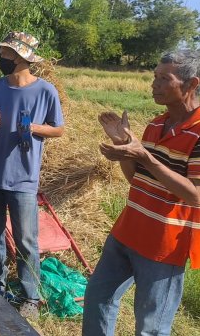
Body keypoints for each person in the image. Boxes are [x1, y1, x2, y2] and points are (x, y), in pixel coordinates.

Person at [82, 50, 200, 335]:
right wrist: (124, 147)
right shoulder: (155, 125)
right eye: (154, 77)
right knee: (98, 299)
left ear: (191, 84)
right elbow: (136, 179)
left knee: (150, 326)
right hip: (127, 230)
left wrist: (146, 157)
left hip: (163, 245)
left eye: (164, 78)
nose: (154, 84)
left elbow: (195, 195)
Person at [0, 32, 65, 318]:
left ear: (22, 57)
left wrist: (34, 128)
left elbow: (58, 129)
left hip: (23, 179)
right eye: (1, 52)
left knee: (27, 240)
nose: (1, 58)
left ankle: (31, 296)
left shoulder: (45, 91)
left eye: (7, 53)